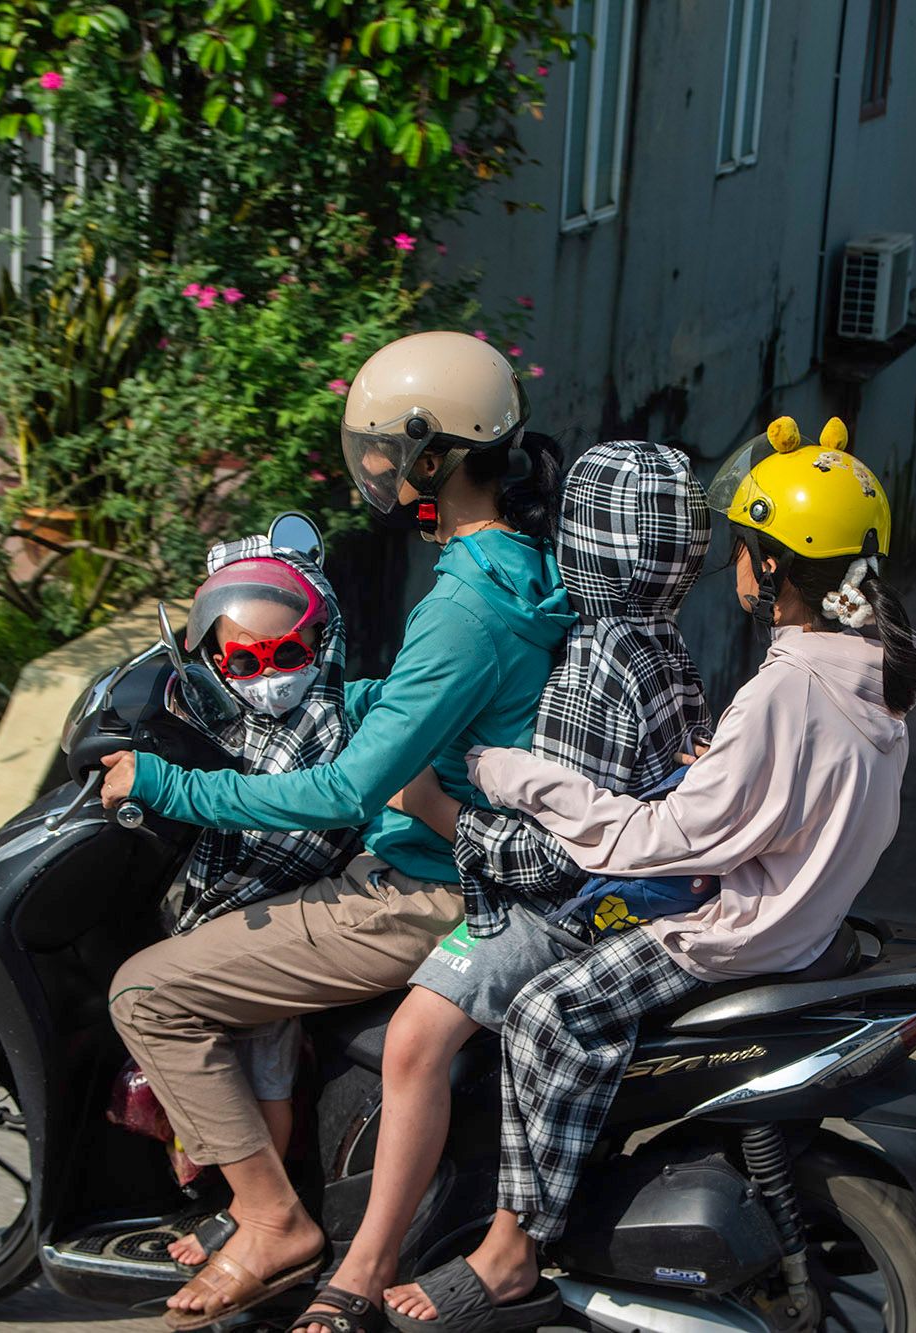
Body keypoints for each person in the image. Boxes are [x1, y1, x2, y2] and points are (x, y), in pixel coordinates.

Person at [381, 415, 916, 1333]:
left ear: (771, 567)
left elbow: (657, 837)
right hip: (806, 912)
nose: (726, 562)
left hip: (732, 929)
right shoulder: (872, 671)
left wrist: (504, 773)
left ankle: (512, 1248)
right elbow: (780, 791)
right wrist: (712, 764)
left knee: (545, 1014)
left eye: (743, 546)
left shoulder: (782, 686)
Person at [99, 332, 574, 1331]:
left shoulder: (463, 602)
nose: (372, 470)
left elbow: (344, 790)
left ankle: (269, 1220)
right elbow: (423, 709)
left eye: (381, 451)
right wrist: (328, 687)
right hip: (466, 858)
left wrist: (172, 786)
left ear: (431, 458)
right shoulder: (516, 565)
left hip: (425, 886)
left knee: (145, 990)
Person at [290, 440, 715, 1333]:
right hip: (652, 888)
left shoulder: (593, 663)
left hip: (581, 911)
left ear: (592, 541)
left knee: (414, 1038)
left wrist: (438, 805)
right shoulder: (660, 643)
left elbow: (552, 861)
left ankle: (364, 1271)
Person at [157, 538, 360, 1269]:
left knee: (264, 1074)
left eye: (286, 655)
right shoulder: (236, 719)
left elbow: (288, 846)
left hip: (271, 925)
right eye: (244, 661)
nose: (267, 677)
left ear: (319, 644)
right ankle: (232, 1202)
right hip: (229, 916)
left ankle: (258, 1212)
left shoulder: (325, 729)